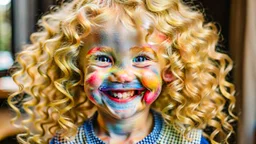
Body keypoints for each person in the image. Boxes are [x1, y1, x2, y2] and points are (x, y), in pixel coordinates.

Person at [8, 0, 237, 143]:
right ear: (76, 69)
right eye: (103, 58)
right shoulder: (66, 141)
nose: (122, 75)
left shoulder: (189, 141)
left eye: (141, 58)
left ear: (169, 70)